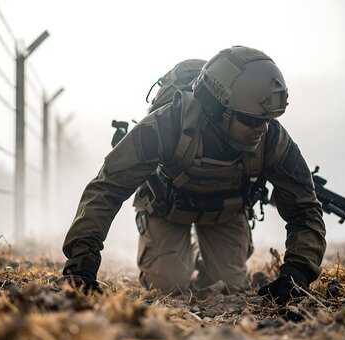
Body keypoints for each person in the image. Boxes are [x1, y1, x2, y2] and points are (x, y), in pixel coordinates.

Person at [61, 46, 326, 305]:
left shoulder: (272, 139)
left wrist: (298, 272)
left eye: (267, 119)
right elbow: (107, 188)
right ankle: (179, 255)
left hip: (227, 211)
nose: (262, 129)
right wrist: (82, 261)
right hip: (166, 207)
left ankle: (206, 255)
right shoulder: (167, 125)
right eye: (250, 120)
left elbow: (304, 209)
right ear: (217, 110)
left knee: (228, 284)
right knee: (167, 284)